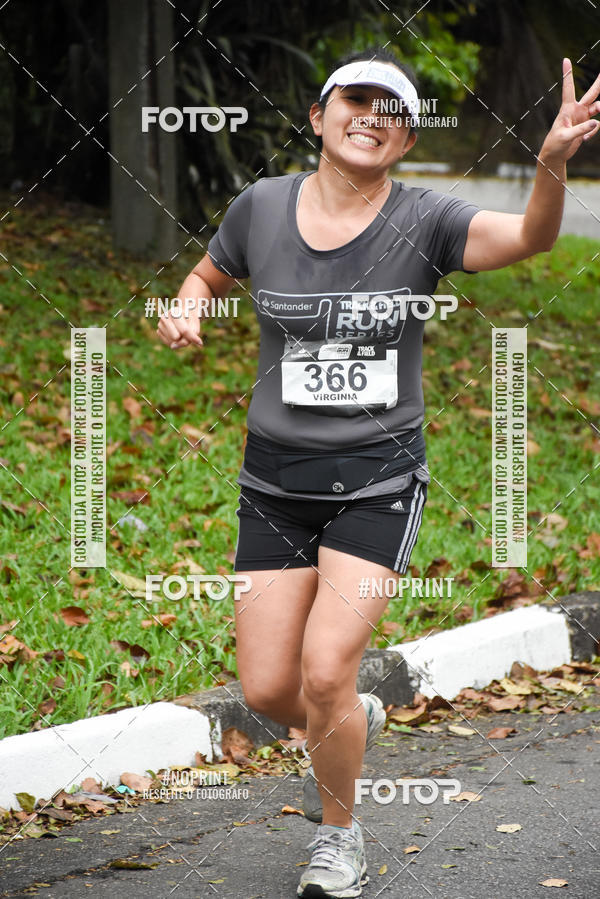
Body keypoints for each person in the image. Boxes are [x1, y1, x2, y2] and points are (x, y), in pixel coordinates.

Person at [158, 46, 599, 898]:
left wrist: (549, 165)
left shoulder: (429, 219)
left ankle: (339, 836)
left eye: (391, 109)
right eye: (353, 99)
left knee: (326, 669)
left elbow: (532, 237)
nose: (371, 114)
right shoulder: (261, 206)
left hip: (377, 479)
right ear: (319, 117)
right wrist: (185, 308)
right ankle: (343, 722)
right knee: (267, 685)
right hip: (273, 481)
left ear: (403, 140)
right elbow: (208, 273)